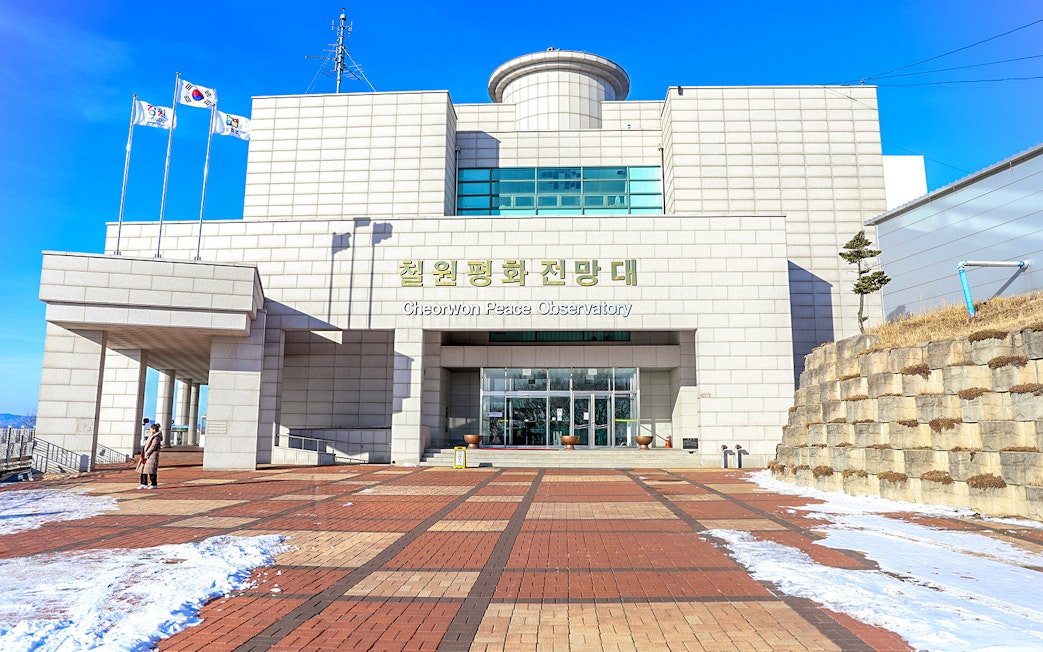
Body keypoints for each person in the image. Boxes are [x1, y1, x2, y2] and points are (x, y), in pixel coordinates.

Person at [136, 423, 162, 489]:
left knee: (151, 470)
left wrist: (147, 453)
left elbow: (153, 446)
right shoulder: (151, 436)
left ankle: (154, 484)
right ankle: (143, 483)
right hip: (145, 455)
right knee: (143, 469)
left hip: (152, 456)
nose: (150, 430)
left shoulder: (157, 437)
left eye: (151, 429)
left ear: (154, 429)